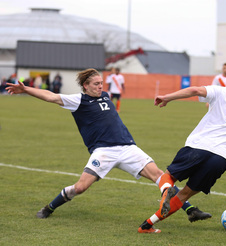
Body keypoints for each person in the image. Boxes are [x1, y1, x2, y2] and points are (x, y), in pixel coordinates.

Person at [6, 68, 210, 223]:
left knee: (159, 175)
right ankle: (49, 208)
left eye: (101, 83)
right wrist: (26, 89)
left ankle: (190, 210)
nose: (100, 86)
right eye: (95, 84)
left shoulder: (105, 95)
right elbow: (51, 96)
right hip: (103, 152)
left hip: (128, 146)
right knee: (81, 187)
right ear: (85, 86)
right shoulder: (78, 100)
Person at [138, 64, 226, 233]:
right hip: (221, 158)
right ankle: (147, 225)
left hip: (199, 146)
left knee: (168, 176)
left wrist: (168, 97)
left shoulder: (221, 91)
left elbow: (195, 91)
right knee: (184, 195)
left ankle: (166, 192)